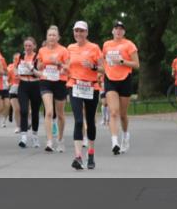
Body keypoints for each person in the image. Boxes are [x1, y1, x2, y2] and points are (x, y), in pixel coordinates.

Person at [66, 21, 102, 170]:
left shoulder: (94, 48)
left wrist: (93, 66)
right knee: (79, 121)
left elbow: (103, 69)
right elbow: (68, 65)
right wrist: (63, 70)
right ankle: (78, 157)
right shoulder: (70, 48)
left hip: (91, 87)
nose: (78, 34)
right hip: (75, 86)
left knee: (90, 121)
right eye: (76, 31)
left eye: (81, 31)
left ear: (87, 33)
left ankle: (91, 154)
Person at [101, 20, 140, 155]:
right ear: (112, 31)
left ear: (124, 32)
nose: (118, 31)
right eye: (116, 29)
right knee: (113, 112)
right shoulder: (106, 45)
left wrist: (122, 61)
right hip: (110, 79)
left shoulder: (129, 45)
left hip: (125, 80)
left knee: (123, 115)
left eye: (121, 29)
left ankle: (125, 135)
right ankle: (114, 142)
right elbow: (103, 62)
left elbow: (136, 65)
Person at [38, 25, 70, 153]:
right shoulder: (42, 50)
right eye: (49, 35)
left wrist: (58, 63)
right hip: (46, 81)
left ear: (58, 37)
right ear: (47, 37)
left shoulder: (63, 50)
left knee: (60, 114)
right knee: (49, 112)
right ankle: (49, 141)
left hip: (60, 81)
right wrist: (42, 64)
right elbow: (39, 66)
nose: (51, 37)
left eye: (54, 35)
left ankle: (60, 140)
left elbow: (68, 67)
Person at [13, 37, 42, 148]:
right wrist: (16, 73)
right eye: (26, 46)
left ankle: (35, 136)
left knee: (35, 112)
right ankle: (23, 137)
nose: (28, 48)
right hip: (23, 85)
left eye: (30, 46)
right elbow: (15, 69)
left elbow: (40, 72)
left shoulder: (38, 56)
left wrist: (31, 68)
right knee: (24, 110)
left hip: (35, 84)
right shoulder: (19, 57)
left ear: (34, 46)